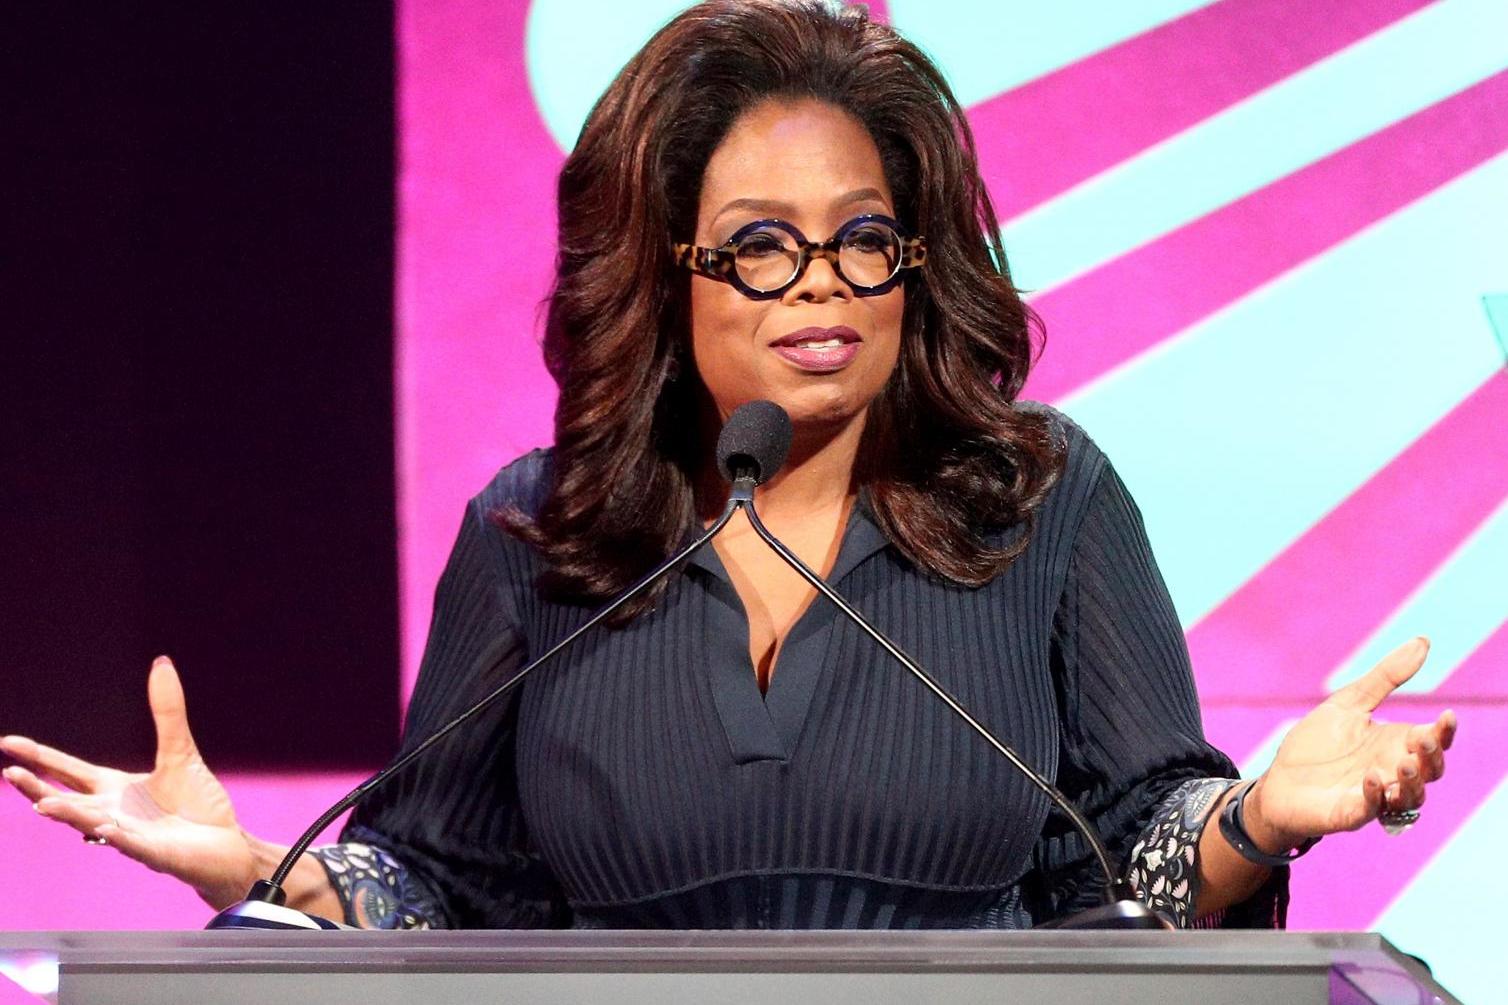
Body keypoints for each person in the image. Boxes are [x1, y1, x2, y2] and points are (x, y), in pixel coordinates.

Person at [1, 0, 1454, 930]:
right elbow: (436, 881)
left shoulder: (1041, 499)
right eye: (760, 244)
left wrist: (1262, 815)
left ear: (913, 261)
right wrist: (264, 868)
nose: (819, 283)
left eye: (864, 236)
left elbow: (1131, 858)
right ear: (667, 272)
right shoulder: (539, 532)